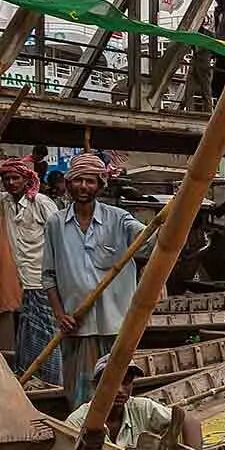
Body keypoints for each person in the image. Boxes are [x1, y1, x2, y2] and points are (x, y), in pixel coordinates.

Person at [44, 153, 142, 403]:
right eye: (78, 181)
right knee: (81, 395)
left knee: (117, 393)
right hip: (77, 324)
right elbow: (48, 276)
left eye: (90, 181)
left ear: (100, 185)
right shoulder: (56, 223)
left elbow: (146, 239)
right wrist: (60, 315)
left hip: (116, 324)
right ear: (69, 184)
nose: (84, 187)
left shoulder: (119, 219)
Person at [0, 156, 61, 384]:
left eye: (16, 178)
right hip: (27, 282)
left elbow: (61, 238)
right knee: (29, 333)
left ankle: (52, 382)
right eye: (7, 178)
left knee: (47, 335)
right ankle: (30, 378)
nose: (11, 182)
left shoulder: (41, 203)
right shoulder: (4, 202)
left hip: (47, 282)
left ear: (26, 180)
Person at [65, 355, 203, 449]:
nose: (120, 390)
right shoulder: (77, 422)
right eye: (112, 382)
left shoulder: (142, 408)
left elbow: (190, 422)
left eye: (126, 382)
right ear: (95, 385)